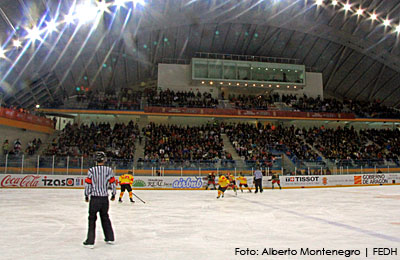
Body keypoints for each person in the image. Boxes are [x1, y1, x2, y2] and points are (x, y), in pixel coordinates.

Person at [83, 151, 116, 248]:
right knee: (105, 217)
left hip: (95, 198)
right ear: (104, 159)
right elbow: (113, 183)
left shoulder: (92, 170)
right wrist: (113, 194)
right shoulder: (109, 170)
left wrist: (86, 195)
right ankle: (110, 238)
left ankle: (90, 241)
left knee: (92, 219)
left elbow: (88, 183)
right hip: (104, 198)